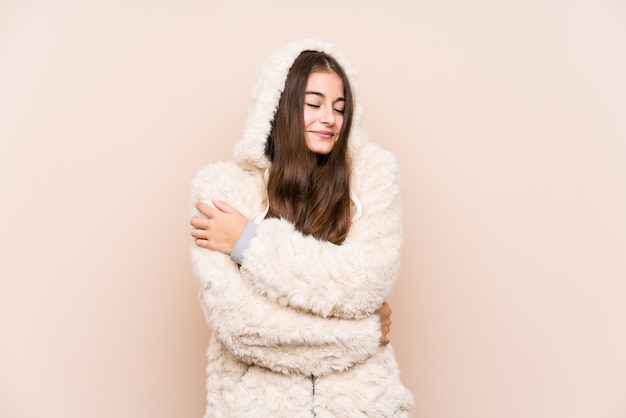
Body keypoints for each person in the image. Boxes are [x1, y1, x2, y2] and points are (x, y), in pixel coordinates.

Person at [189, 39, 413, 417]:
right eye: (313, 104)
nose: (329, 118)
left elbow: (366, 282)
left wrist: (248, 243)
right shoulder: (223, 190)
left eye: (340, 109)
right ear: (279, 107)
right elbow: (242, 327)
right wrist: (364, 333)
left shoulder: (373, 177)